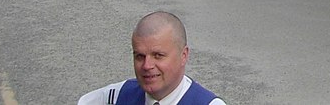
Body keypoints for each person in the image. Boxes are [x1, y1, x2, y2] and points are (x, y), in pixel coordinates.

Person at [79, 11, 225, 105]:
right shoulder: (115, 98)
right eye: (139, 56)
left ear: (184, 55)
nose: (147, 65)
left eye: (158, 56)